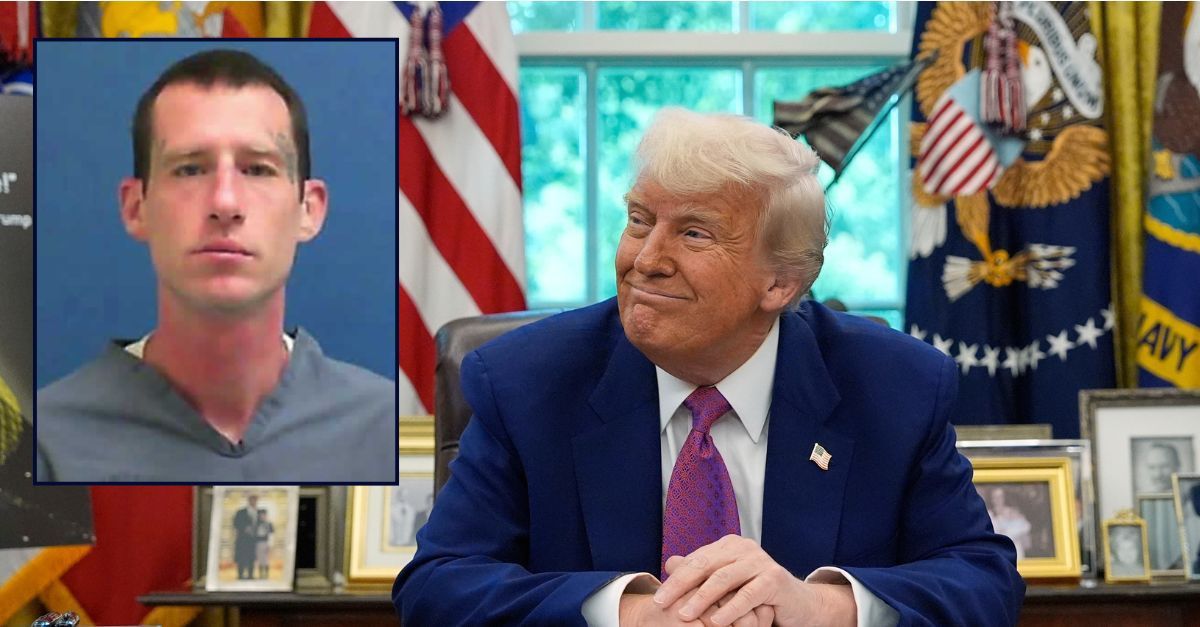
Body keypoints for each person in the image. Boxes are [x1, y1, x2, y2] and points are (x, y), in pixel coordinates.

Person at [393, 109, 1023, 626]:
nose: (646, 259)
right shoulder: (525, 382)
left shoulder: (894, 386)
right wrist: (635, 614)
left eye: (694, 235)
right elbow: (438, 589)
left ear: (780, 282)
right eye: (640, 220)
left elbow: (982, 583)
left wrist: (819, 607)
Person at [35, 49, 395, 483]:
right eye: (190, 169)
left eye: (258, 169)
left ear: (309, 210)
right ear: (136, 208)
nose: (225, 202)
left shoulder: (384, 427)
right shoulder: (44, 442)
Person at [986, 487, 1033, 560]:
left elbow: (1026, 537)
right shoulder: (989, 515)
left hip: (1016, 552)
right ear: (991, 499)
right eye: (995, 497)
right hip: (997, 553)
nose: (998, 499)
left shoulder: (1015, 513)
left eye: (1000, 496)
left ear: (1004, 498)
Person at [232, 494, 258, 580]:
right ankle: (240, 575)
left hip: (253, 540)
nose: (254, 502)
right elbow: (235, 523)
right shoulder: (241, 512)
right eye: (252, 500)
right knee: (242, 557)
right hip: (242, 539)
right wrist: (244, 528)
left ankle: (250, 575)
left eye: (255, 500)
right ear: (249, 501)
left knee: (251, 558)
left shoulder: (258, 512)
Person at [255, 507, 274, 579]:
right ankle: (260, 575)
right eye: (261, 515)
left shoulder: (269, 524)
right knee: (260, 560)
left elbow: (271, 535)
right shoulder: (257, 524)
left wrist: (270, 545)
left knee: (266, 559)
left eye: (264, 515)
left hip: (266, 543)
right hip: (258, 543)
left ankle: (266, 575)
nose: (262, 516)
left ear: (266, 515)